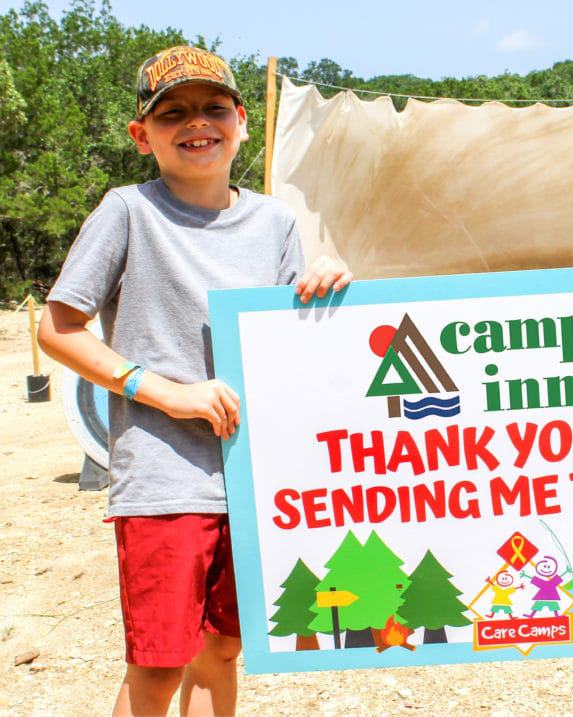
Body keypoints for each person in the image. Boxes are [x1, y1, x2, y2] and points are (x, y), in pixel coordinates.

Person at [38, 45, 351, 717]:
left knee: (223, 648)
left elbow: (293, 345)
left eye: (213, 107)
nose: (196, 123)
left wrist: (326, 290)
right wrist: (167, 391)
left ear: (241, 120)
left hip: (253, 478)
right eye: (171, 111)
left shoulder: (275, 224)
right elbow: (58, 329)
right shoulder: (128, 211)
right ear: (141, 135)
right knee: (159, 664)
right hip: (164, 480)